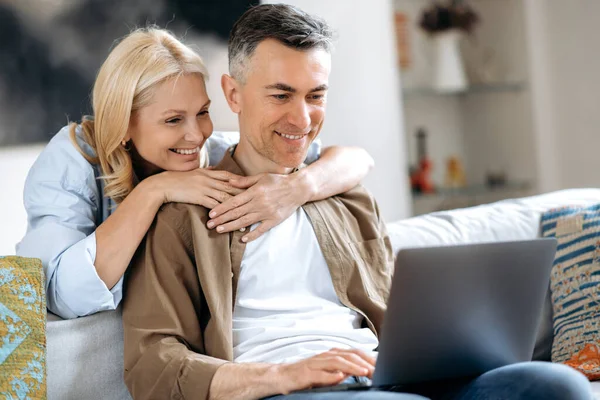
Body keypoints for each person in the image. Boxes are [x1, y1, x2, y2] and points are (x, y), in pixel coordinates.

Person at [122, 4, 592, 400]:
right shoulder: (184, 210)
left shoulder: (343, 196)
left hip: (384, 375)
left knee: (555, 385)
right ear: (233, 94)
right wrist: (285, 374)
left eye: (316, 95)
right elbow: (153, 363)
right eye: (281, 95)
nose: (302, 117)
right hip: (292, 388)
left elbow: (396, 306)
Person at [15, 26, 375, 320]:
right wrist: (153, 191)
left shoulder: (211, 151)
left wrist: (299, 187)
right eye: (173, 120)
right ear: (123, 124)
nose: (196, 134)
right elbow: (61, 296)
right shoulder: (75, 159)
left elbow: (355, 160)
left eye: (202, 112)